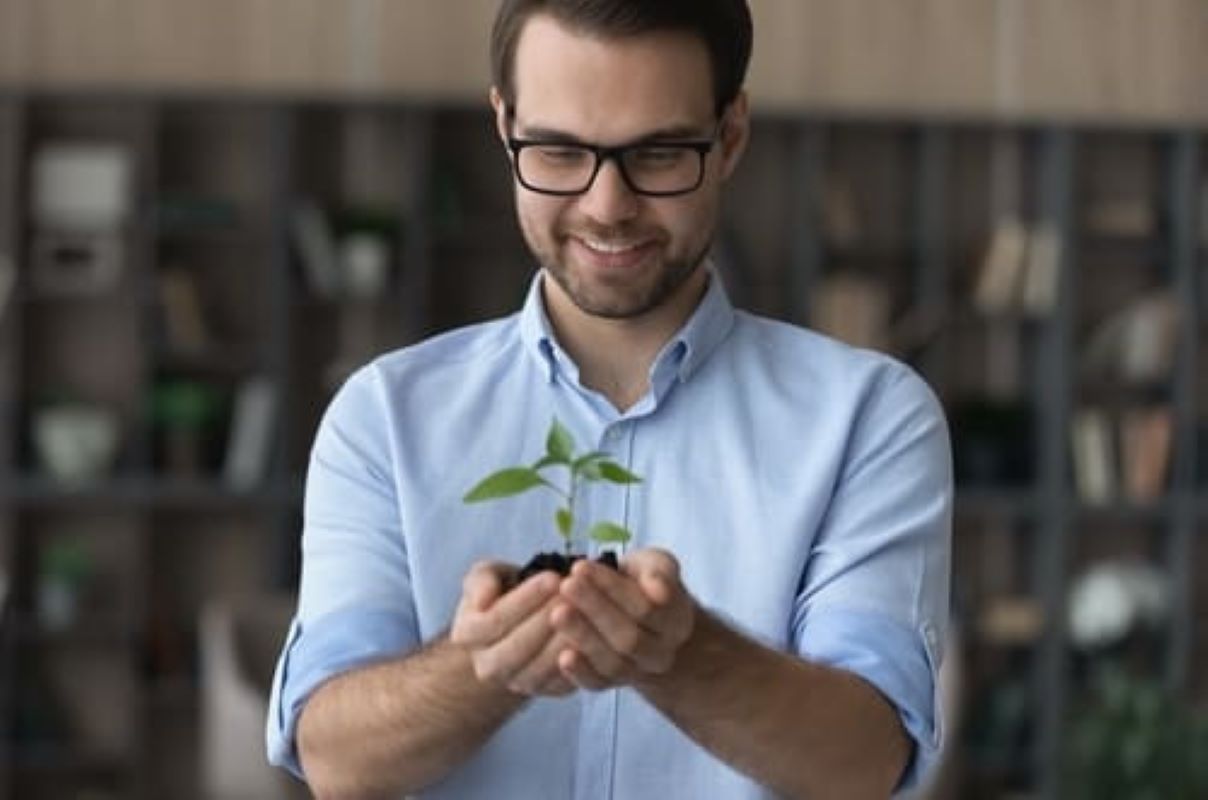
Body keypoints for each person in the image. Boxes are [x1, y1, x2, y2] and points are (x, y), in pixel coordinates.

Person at [266, 0, 951, 797]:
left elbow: (866, 762)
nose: (606, 205)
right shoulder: (382, 416)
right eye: (558, 151)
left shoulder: (870, 419)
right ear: (505, 126)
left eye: (658, 154)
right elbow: (336, 758)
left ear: (730, 136)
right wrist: (484, 666)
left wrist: (685, 654)